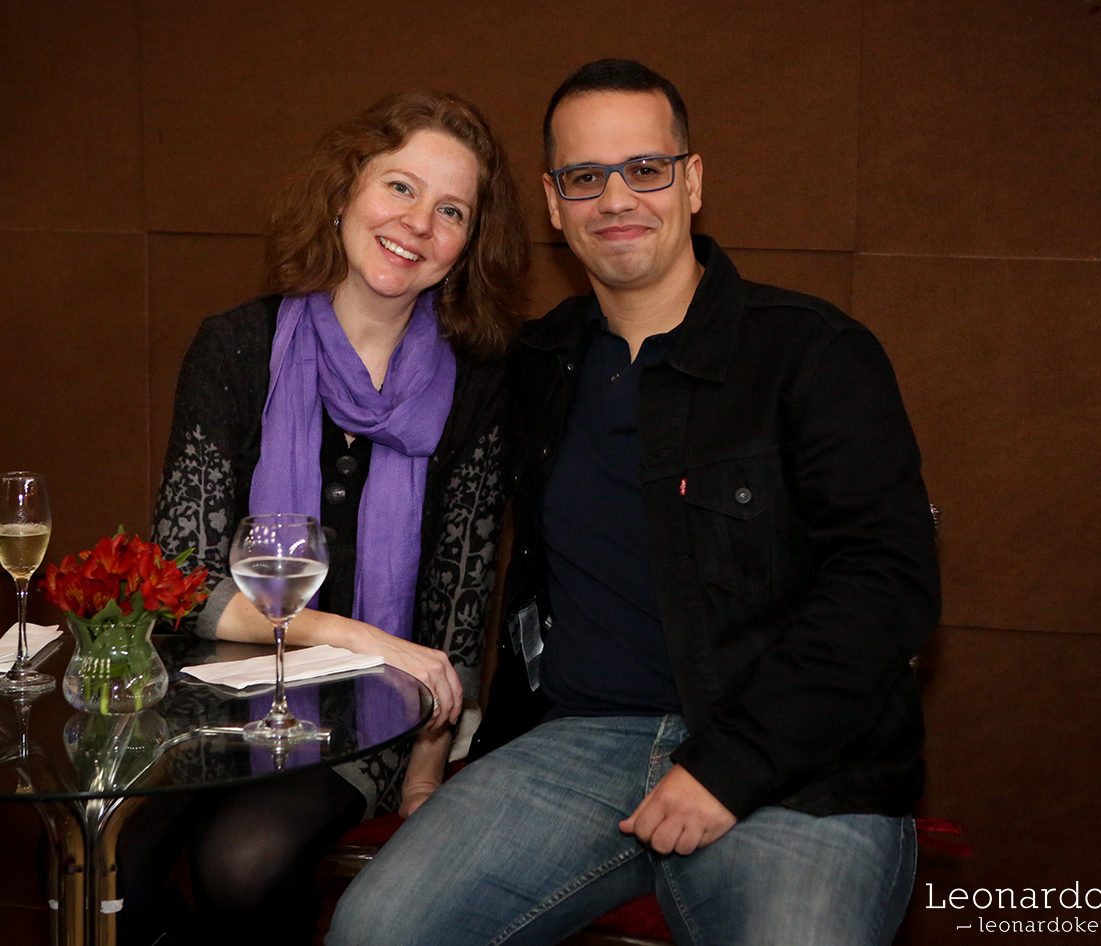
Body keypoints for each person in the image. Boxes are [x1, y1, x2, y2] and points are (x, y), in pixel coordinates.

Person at [326, 60, 941, 946]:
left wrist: (730, 766)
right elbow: (384, 364)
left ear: (693, 181)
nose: (616, 199)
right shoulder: (534, 365)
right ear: (553, 202)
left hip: (798, 761)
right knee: (375, 931)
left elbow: (886, 587)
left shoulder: (814, 354)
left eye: (646, 169)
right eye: (585, 177)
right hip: (577, 745)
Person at [124, 90, 527, 946]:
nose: (418, 223)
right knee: (106, 859)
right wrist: (357, 634)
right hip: (213, 699)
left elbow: (460, 597)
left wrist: (426, 770)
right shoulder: (236, 346)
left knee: (241, 862)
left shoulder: (479, 382)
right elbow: (181, 582)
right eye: (400, 187)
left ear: (467, 245)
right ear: (345, 191)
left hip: (369, 719)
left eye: (451, 211)